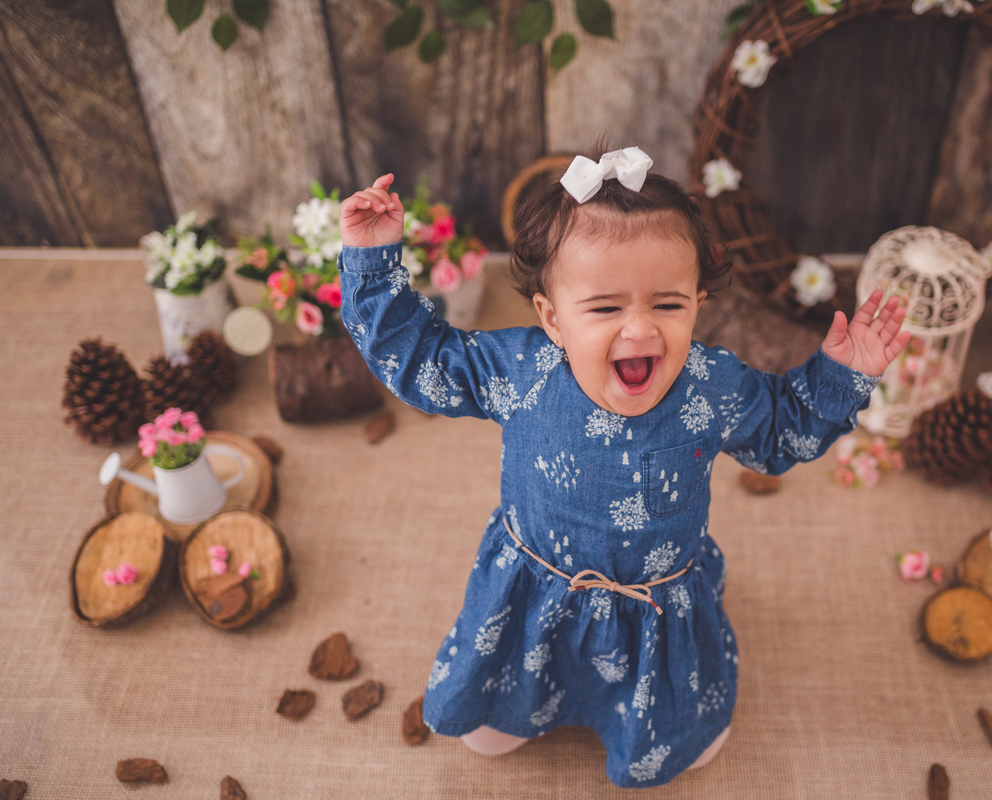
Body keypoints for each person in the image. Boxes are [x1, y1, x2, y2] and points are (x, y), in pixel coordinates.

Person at [337, 146, 909, 788]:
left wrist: (841, 376)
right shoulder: (520, 371)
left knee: (673, 727)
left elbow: (780, 433)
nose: (640, 331)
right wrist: (373, 259)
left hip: (654, 605)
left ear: (698, 302)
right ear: (552, 318)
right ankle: (508, 703)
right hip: (535, 592)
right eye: (606, 308)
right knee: (498, 710)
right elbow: (421, 362)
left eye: (668, 305)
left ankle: (669, 725)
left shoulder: (709, 387)